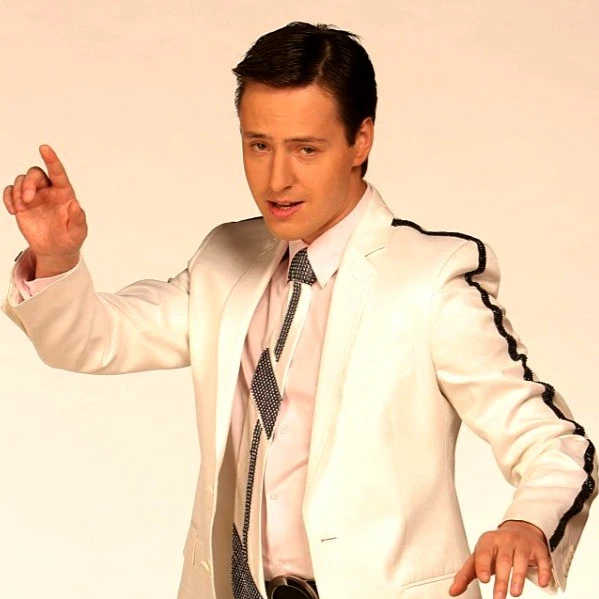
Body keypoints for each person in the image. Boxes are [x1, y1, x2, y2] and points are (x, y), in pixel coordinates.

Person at [1, 21, 596, 599]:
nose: (277, 179)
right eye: (259, 145)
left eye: (306, 149)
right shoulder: (223, 260)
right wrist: (57, 258)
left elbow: (556, 446)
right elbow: (93, 340)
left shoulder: (430, 282)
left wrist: (527, 523)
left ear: (361, 140)